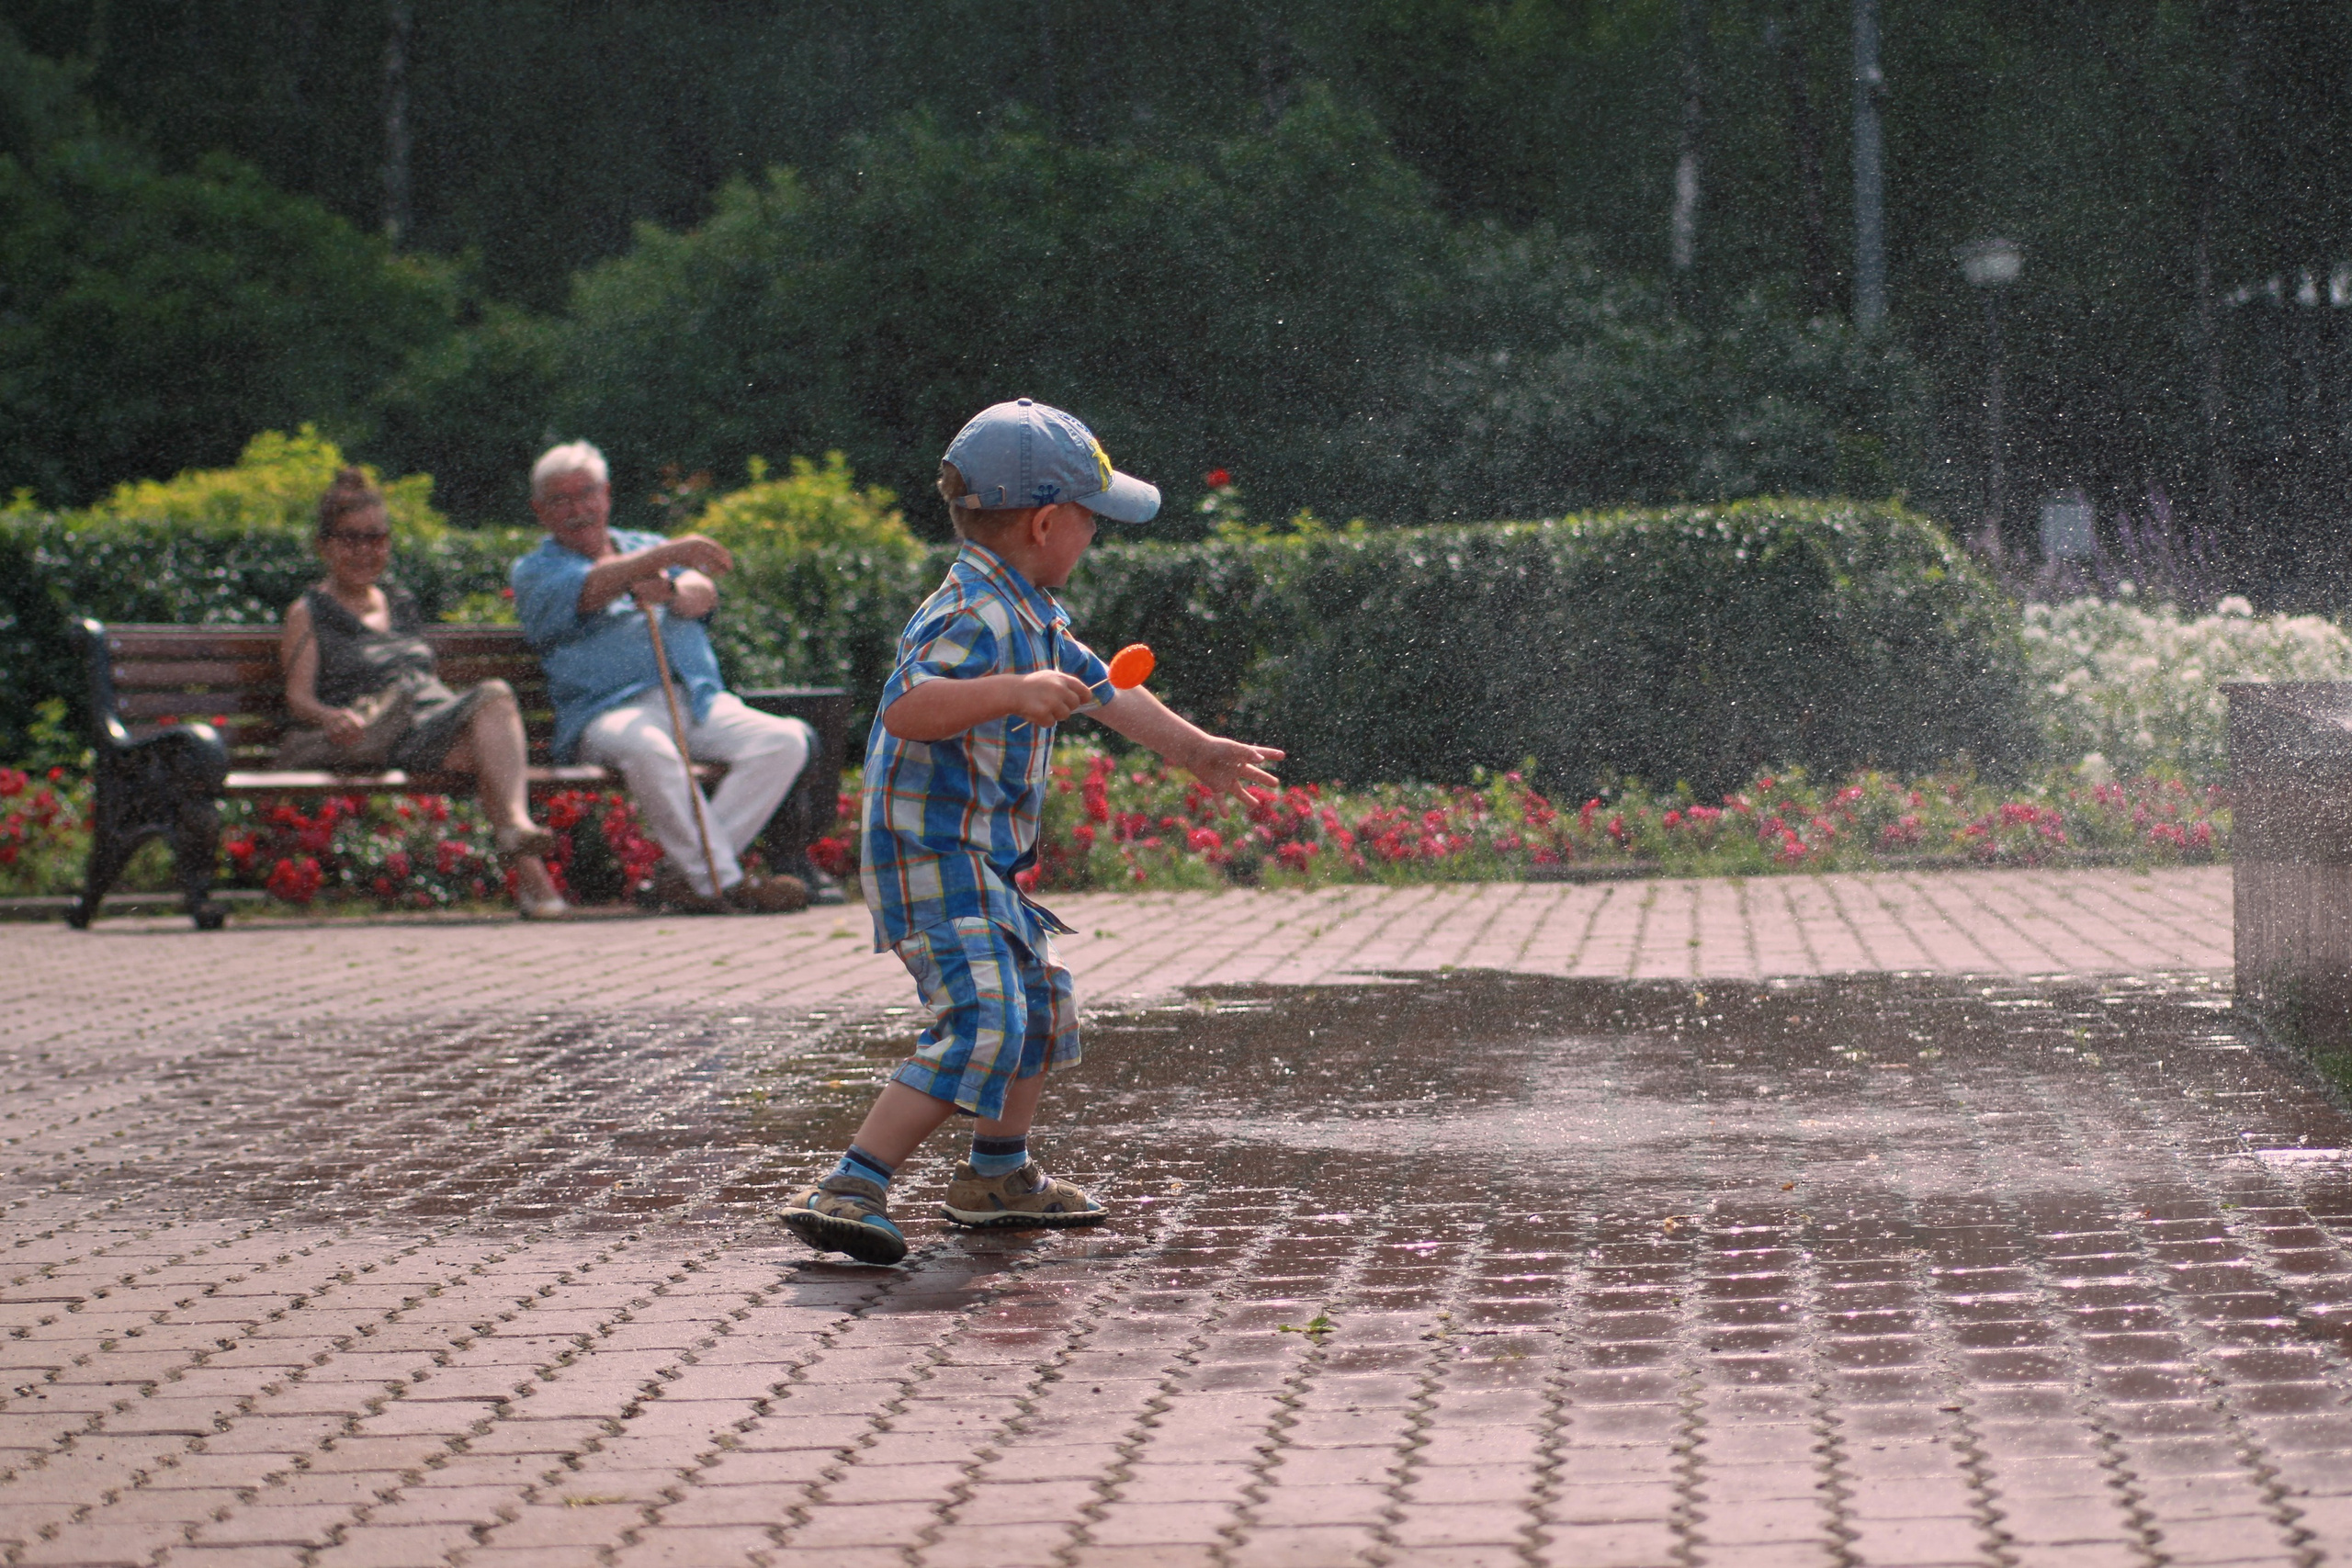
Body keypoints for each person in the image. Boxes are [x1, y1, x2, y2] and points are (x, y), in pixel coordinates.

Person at [782, 400, 1283, 1265]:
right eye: (1092, 519)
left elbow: (1110, 691)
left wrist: (1199, 751)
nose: (1094, 535)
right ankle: (852, 1181)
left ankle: (995, 1175)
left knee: (1039, 1006)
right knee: (983, 1017)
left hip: (978, 860)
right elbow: (908, 707)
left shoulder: (1033, 609)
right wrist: (1011, 693)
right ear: (1048, 520)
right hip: (929, 857)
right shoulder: (971, 611)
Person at [510, 441, 812, 913]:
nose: (578, 509)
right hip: (606, 713)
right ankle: (723, 884)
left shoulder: (644, 546)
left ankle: (689, 878)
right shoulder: (535, 571)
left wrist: (671, 585)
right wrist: (668, 556)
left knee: (786, 739)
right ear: (538, 511)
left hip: (696, 700)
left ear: (607, 494)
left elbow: (703, 592)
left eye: (586, 493)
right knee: (649, 748)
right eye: (560, 500)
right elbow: (592, 588)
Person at [277, 468, 568, 918]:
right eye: (350, 538)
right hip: (376, 734)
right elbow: (298, 697)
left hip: (426, 729)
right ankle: (523, 847)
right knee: (495, 693)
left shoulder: (400, 600)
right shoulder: (309, 611)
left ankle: (533, 876)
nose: (365, 550)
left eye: (376, 537)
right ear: (325, 545)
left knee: (484, 745)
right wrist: (329, 716)